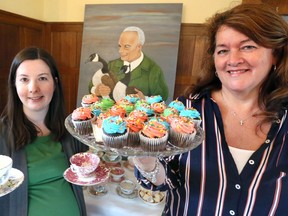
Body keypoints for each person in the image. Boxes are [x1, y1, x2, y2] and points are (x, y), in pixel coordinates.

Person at [133, 3, 288, 216]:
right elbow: (163, 181)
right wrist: (147, 162)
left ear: (276, 55)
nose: (233, 60)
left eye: (248, 46)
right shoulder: (185, 111)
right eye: (223, 50)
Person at [0, 47, 88, 216]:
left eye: (42, 78)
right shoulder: (2, 134)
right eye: (24, 79)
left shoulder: (71, 129)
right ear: (14, 84)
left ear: (54, 83)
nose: (33, 88)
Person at [90, 26, 169, 102]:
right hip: (112, 114)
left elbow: (162, 97)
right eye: (119, 46)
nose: (120, 50)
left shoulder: (153, 70)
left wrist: (144, 98)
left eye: (126, 46)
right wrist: (97, 90)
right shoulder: (112, 65)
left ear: (139, 47)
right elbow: (91, 86)